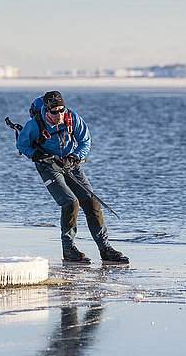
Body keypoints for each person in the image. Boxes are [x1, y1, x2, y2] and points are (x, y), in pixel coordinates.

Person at [16, 91, 129, 264]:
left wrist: (75, 157)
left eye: (61, 110)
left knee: (91, 202)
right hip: (48, 168)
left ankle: (105, 249)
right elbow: (21, 144)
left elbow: (85, 141)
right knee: (70, 202)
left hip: (71, 165)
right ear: (46, 111)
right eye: (54, 112)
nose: (59, 115)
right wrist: (35, 155)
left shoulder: (72, 118)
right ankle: (69, 250)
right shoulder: (34, 125)